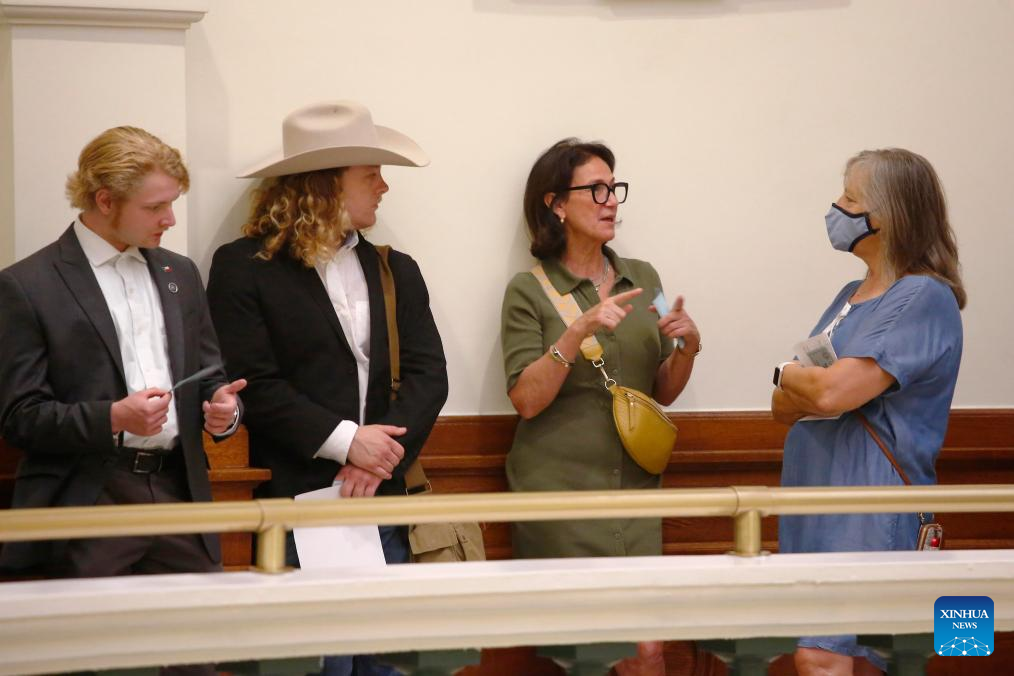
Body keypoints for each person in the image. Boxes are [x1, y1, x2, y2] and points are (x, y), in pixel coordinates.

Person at [206, 101, 447, 676]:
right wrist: (346, 442)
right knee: (320, 666)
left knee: (388, 666)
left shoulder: (396, 269)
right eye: (371, 175)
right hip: (297, 503)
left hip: (382, 499)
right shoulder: (244, 267)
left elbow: (429, 375)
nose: (384, 187)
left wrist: (378, 456)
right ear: (324, 184)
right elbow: (254, 382)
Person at [0, 126, 244, 587]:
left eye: (172, 203)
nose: (170, 219)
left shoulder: (180, 273)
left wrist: (223, 410)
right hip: (87, 501)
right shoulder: (27, 286)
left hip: (179, 491)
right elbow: (20, 417)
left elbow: (210, 376)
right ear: (105, 200)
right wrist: (112, 417)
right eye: (154, 207)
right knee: (92, 634)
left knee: (200, 630)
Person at [500, 138, 702, 675]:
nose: (611, 200)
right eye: (595, 189)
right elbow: (526, 400)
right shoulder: (527, 290)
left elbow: (662, 390)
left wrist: (688, 347)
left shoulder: (646, 279)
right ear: (556, 205)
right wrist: (577, 331)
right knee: (588, 655)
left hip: (635, 496)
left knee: (648, 649)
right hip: (560, 501)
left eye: (614, 188)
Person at [771, 148, 964, 676]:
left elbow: (829, 394)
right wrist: (797, 383)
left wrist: (788, 374)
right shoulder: (847, 296)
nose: (836, 207)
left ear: (890, 215)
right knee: (834, 653)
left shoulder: (922, 295)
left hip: (870, 500)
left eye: (851, 198)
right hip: (815, 493)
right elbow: (781, 408)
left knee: (825, 656)